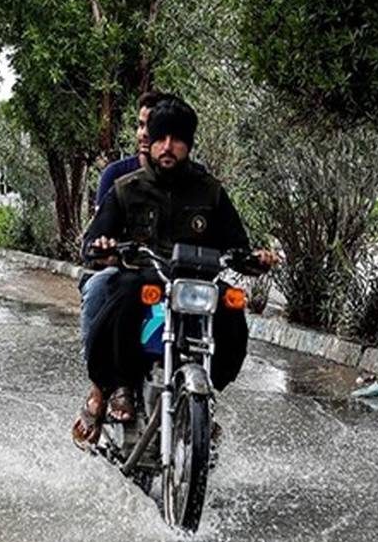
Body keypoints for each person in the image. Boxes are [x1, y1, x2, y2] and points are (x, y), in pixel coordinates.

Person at [71, 97, 276, 446]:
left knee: (230, 304)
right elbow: (93, 240)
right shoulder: (126, 188)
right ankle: (117, 386)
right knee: (118, 293)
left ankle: (207, 392)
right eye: (161, 138)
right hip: (144, 276)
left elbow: (235, 242)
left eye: (177, 140)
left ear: (189, 145)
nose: (168, 147)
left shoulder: (210, 191)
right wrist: (101, 247)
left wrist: (253, 257)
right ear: (150, 141)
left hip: (196, 281)